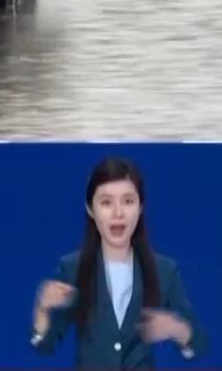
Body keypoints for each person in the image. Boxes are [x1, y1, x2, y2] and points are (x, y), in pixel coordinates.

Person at [30, 156, 208, 367]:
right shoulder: (72, 269)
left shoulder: (164, 271)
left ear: (141, 207)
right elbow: (45, 345)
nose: (118, 213)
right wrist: (42, 309)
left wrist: (176, 328)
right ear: (90, 209)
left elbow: (199, 344)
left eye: (128, 201)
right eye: (106, 202)